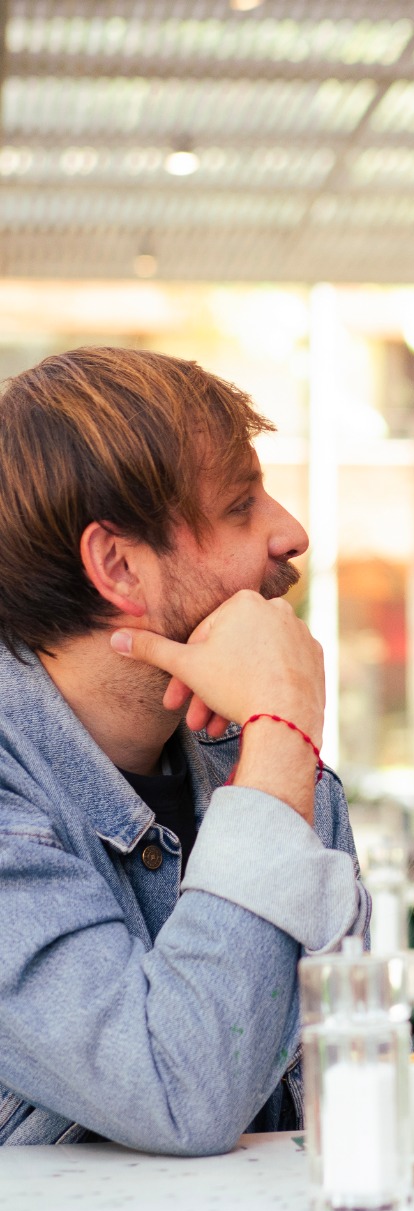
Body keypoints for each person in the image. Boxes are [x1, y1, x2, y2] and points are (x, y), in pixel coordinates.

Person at [0, 347, 367, 1153]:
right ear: (119, 566)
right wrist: (280, 735)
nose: (291, 533)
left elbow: (351, 1102)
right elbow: (180, 1091)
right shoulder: (276, 752)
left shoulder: (270, 759)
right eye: (242, 505)